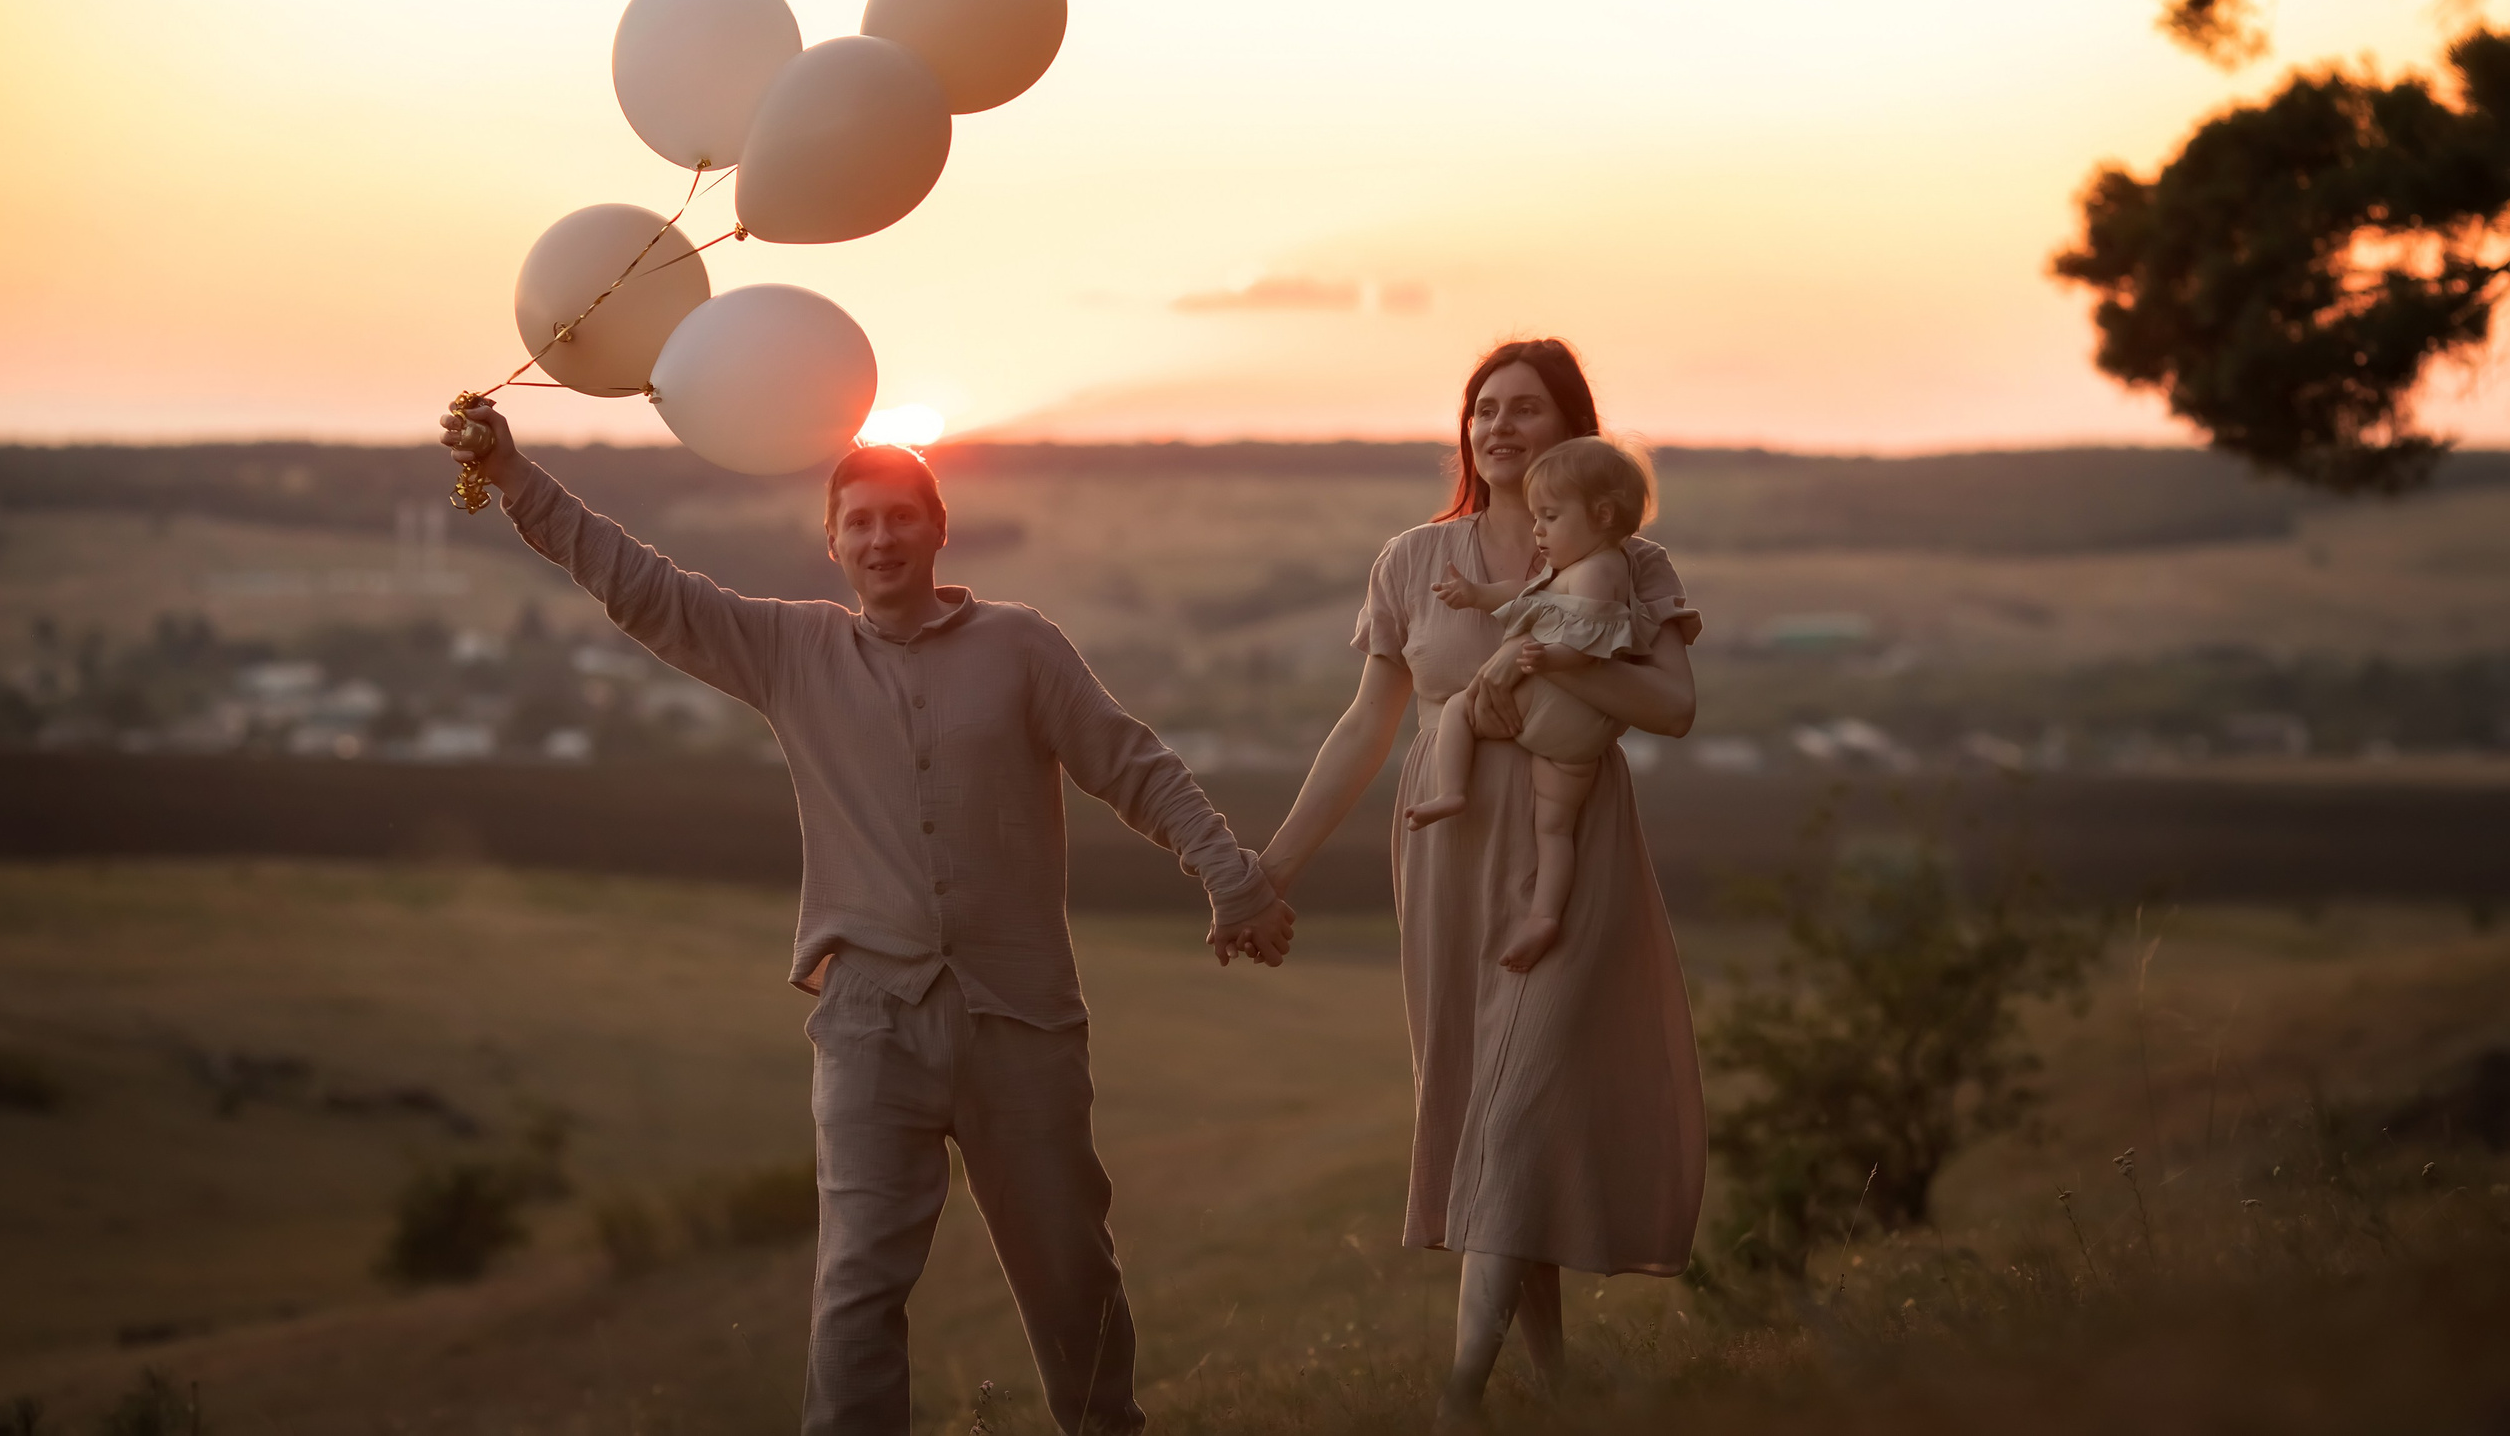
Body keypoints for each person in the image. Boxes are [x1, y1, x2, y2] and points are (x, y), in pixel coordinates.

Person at [438, 398, 1295, 1436]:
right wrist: (518, 479)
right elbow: (639, 586)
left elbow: (1136, 769)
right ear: (833, 542)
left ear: (938, 528)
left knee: (1071, 1272)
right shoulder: (788, 649)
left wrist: (1230, 877)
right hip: (869, 1025)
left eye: (902, 516)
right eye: (861, 521)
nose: (882, 537)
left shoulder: (1022, 647)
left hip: (1021, 1023)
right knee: (856, 1289)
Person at [1255, 340, 1703, 1423]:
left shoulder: (1632, 564)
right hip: (1447, 848)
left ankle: (1459, 1399)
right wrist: (1271, 868)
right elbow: (1367, 728)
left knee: (1517, 1108)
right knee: (1505, 1114)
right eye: (1481, 410)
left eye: (1524, 410)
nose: (1497, 429)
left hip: (1572, 837)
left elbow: (1676, 707)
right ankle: (1555, 1395)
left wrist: (1564, 653)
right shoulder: (1414, 559)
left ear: (1572, 432)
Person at [1404, 435, 1654, 975]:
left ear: (1602, 514)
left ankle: (1452, 791)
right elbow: (1525, 602)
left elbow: (1596, 636)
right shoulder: (1578, 568)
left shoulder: (1599, 569)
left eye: (1551, 516)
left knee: (1455, 710)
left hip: (1557, 713)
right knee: (1554, 830)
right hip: (1572, 748)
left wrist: (1547, 656)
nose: (1538, 530)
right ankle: (1545, 915)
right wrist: (1474, 594)